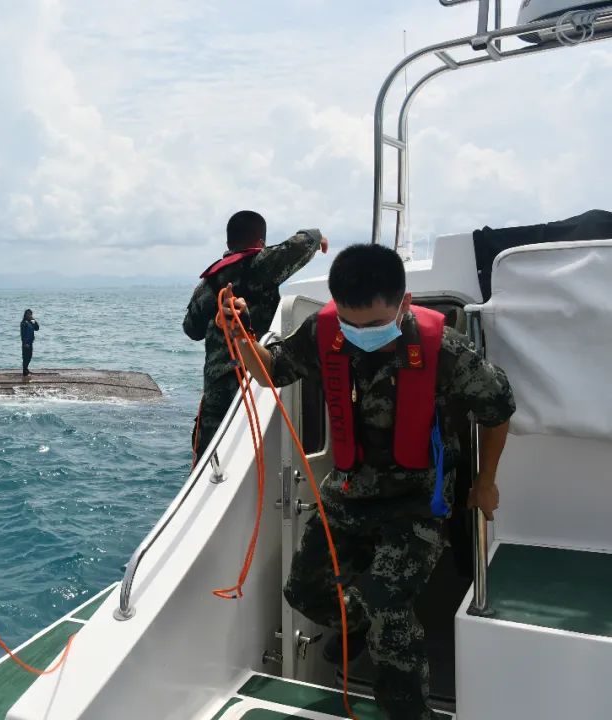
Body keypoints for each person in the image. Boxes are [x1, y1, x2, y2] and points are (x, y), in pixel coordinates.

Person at [230, 243, 515, 719]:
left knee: (389, 607)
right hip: (350, 490)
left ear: (404, 304)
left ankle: (408, 710)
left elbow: (498, 410)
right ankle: (358, 623)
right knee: (304, 592)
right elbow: (269, 372)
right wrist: (240, 336)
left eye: (375, 324)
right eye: (350, 323)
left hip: (418, 498)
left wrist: (485, 482)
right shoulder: (323, 334)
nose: (362, 334)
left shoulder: (445, 351)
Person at [183, 210, 327, 462]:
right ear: (260, 242)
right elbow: (304, 241)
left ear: (228, 244)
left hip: (217, 386)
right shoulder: (262, 263)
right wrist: (318, 238)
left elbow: (191, 329)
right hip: (256, 376)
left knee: (211, 461)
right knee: (254, 456)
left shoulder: (210, 281)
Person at [20, 309, 40, 375]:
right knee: (25, 357)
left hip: (30, 342)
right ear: (25, 315)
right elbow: (23, 334)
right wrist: (25, 343)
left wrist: (34, 321)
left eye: (30, 314)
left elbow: (37, 328)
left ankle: (26, 369)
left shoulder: (31, 322)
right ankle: (24, 371)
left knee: (29, 356)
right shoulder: (23, 323)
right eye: (28, 314)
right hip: (25, 343)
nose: (29, 315)